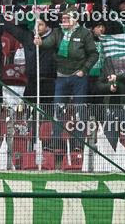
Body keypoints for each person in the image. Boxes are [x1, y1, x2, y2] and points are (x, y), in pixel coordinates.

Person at [35, 9, 99, 146]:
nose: (63, 20)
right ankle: (56, 141)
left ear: (74, 19)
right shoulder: (58, 32)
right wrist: (40, 42)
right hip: (61, 77)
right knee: (58, 109)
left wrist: (84, 70)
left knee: (79, 110)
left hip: (78, 77)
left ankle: (79, 142)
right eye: (62, 18)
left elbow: (94, 54)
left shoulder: (84, 33)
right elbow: (49, 43)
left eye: (66, 18)